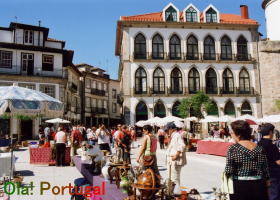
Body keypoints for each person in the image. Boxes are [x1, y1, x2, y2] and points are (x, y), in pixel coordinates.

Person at [225, 120, 269, 200]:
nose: (231, 135)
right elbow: (265, 169)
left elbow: (229, 170)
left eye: (231, 133)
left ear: (238, 134)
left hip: (240, 186)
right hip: (259, 185)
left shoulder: (233, 148)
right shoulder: (260, 148)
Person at [258, 123, 280, 200]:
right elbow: (278, 162)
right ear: (270, 132)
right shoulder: (272, 146)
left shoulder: (258, 144)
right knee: (274, 196)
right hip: (273, 175)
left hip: (261, 174)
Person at [164, 122, 186, 195]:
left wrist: (176, 156)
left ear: (171, 129)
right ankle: (174, 193)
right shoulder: (174, 135)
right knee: (173, 178)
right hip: (173, 160)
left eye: (167, 130)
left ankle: (176, 194)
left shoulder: (176, 135)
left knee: (174, 179)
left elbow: (182, 146)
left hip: (175, 160)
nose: (166, 132)